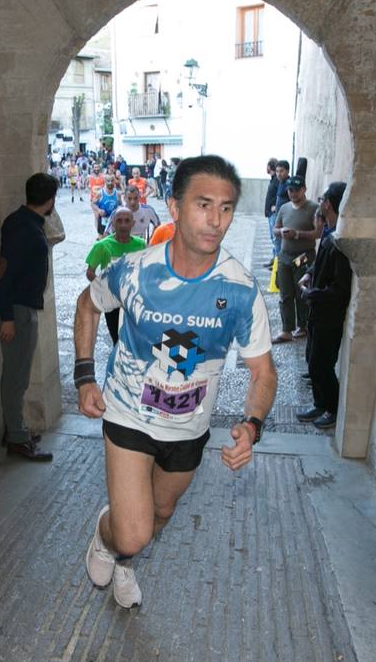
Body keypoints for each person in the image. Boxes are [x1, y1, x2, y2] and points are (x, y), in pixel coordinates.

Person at [73, 155, 278, 608]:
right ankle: (109, 538)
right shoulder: (135, 269)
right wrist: (85, 375)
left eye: (226, 208)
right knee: (133, 529)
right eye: (204, 204)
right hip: (128, 415)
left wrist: (252, 423)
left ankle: (125, 559)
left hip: (188, 430)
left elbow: (263, 372)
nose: (216, 220)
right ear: (174, 206)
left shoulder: (240, 289)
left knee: (161, 514)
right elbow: (87, 305)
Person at [0, 172, 61, 462]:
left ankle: (17, 428)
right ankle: (17, 438)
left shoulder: (20, 221)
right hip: (16, 310)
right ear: (51, 199)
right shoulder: (26, 229)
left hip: (18, 307)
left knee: (17, 374)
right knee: (16, 377)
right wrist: (7, 317)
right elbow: (3, 275)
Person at [296, 182, 351, 429]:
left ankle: (332, 408)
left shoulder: (340, 239)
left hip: (329, 315)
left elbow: (339, 289)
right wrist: (309, 272)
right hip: (318, 311)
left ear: (328, 203)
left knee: (322, 364)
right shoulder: (329, 231)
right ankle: (320, 403)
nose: (320, 202)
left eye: (322, 199)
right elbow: (319, 265)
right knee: (312, 360)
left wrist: (312, 294)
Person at [271, 174, 321, 343]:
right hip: (285, 257)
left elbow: (318, 233)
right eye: (290, 190)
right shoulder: (284, 208)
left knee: (301, 293)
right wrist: (282, 232)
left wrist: (297, 234)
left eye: (296, 190)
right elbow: (275, 229)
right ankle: (286, 329)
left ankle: (303, 326)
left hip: (304, 257)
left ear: (304, 190)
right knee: (285, 294)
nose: (293, 193)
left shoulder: (314, 208)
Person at [85, 207, 146, 343]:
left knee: (135, 340)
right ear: (113, 222)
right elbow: (90, 272)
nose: (123, 225)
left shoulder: (141, 244)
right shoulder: (102, 246)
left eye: (127, 221)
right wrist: (104, 289)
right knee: (117, 340)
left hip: (133, 301)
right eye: (119, 221)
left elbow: (145, 271)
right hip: (112, 303)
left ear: (133, 223)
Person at [262, 157, 279, 269]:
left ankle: (277, 263)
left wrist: (276, 207)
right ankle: (274, 260)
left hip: (274, 214)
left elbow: (281, 195)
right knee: (273, 238)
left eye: (267, 165)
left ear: (270, 166)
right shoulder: (273, 179)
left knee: (275, 239)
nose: (265, 168)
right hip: (270, 214)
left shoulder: (277, 180)